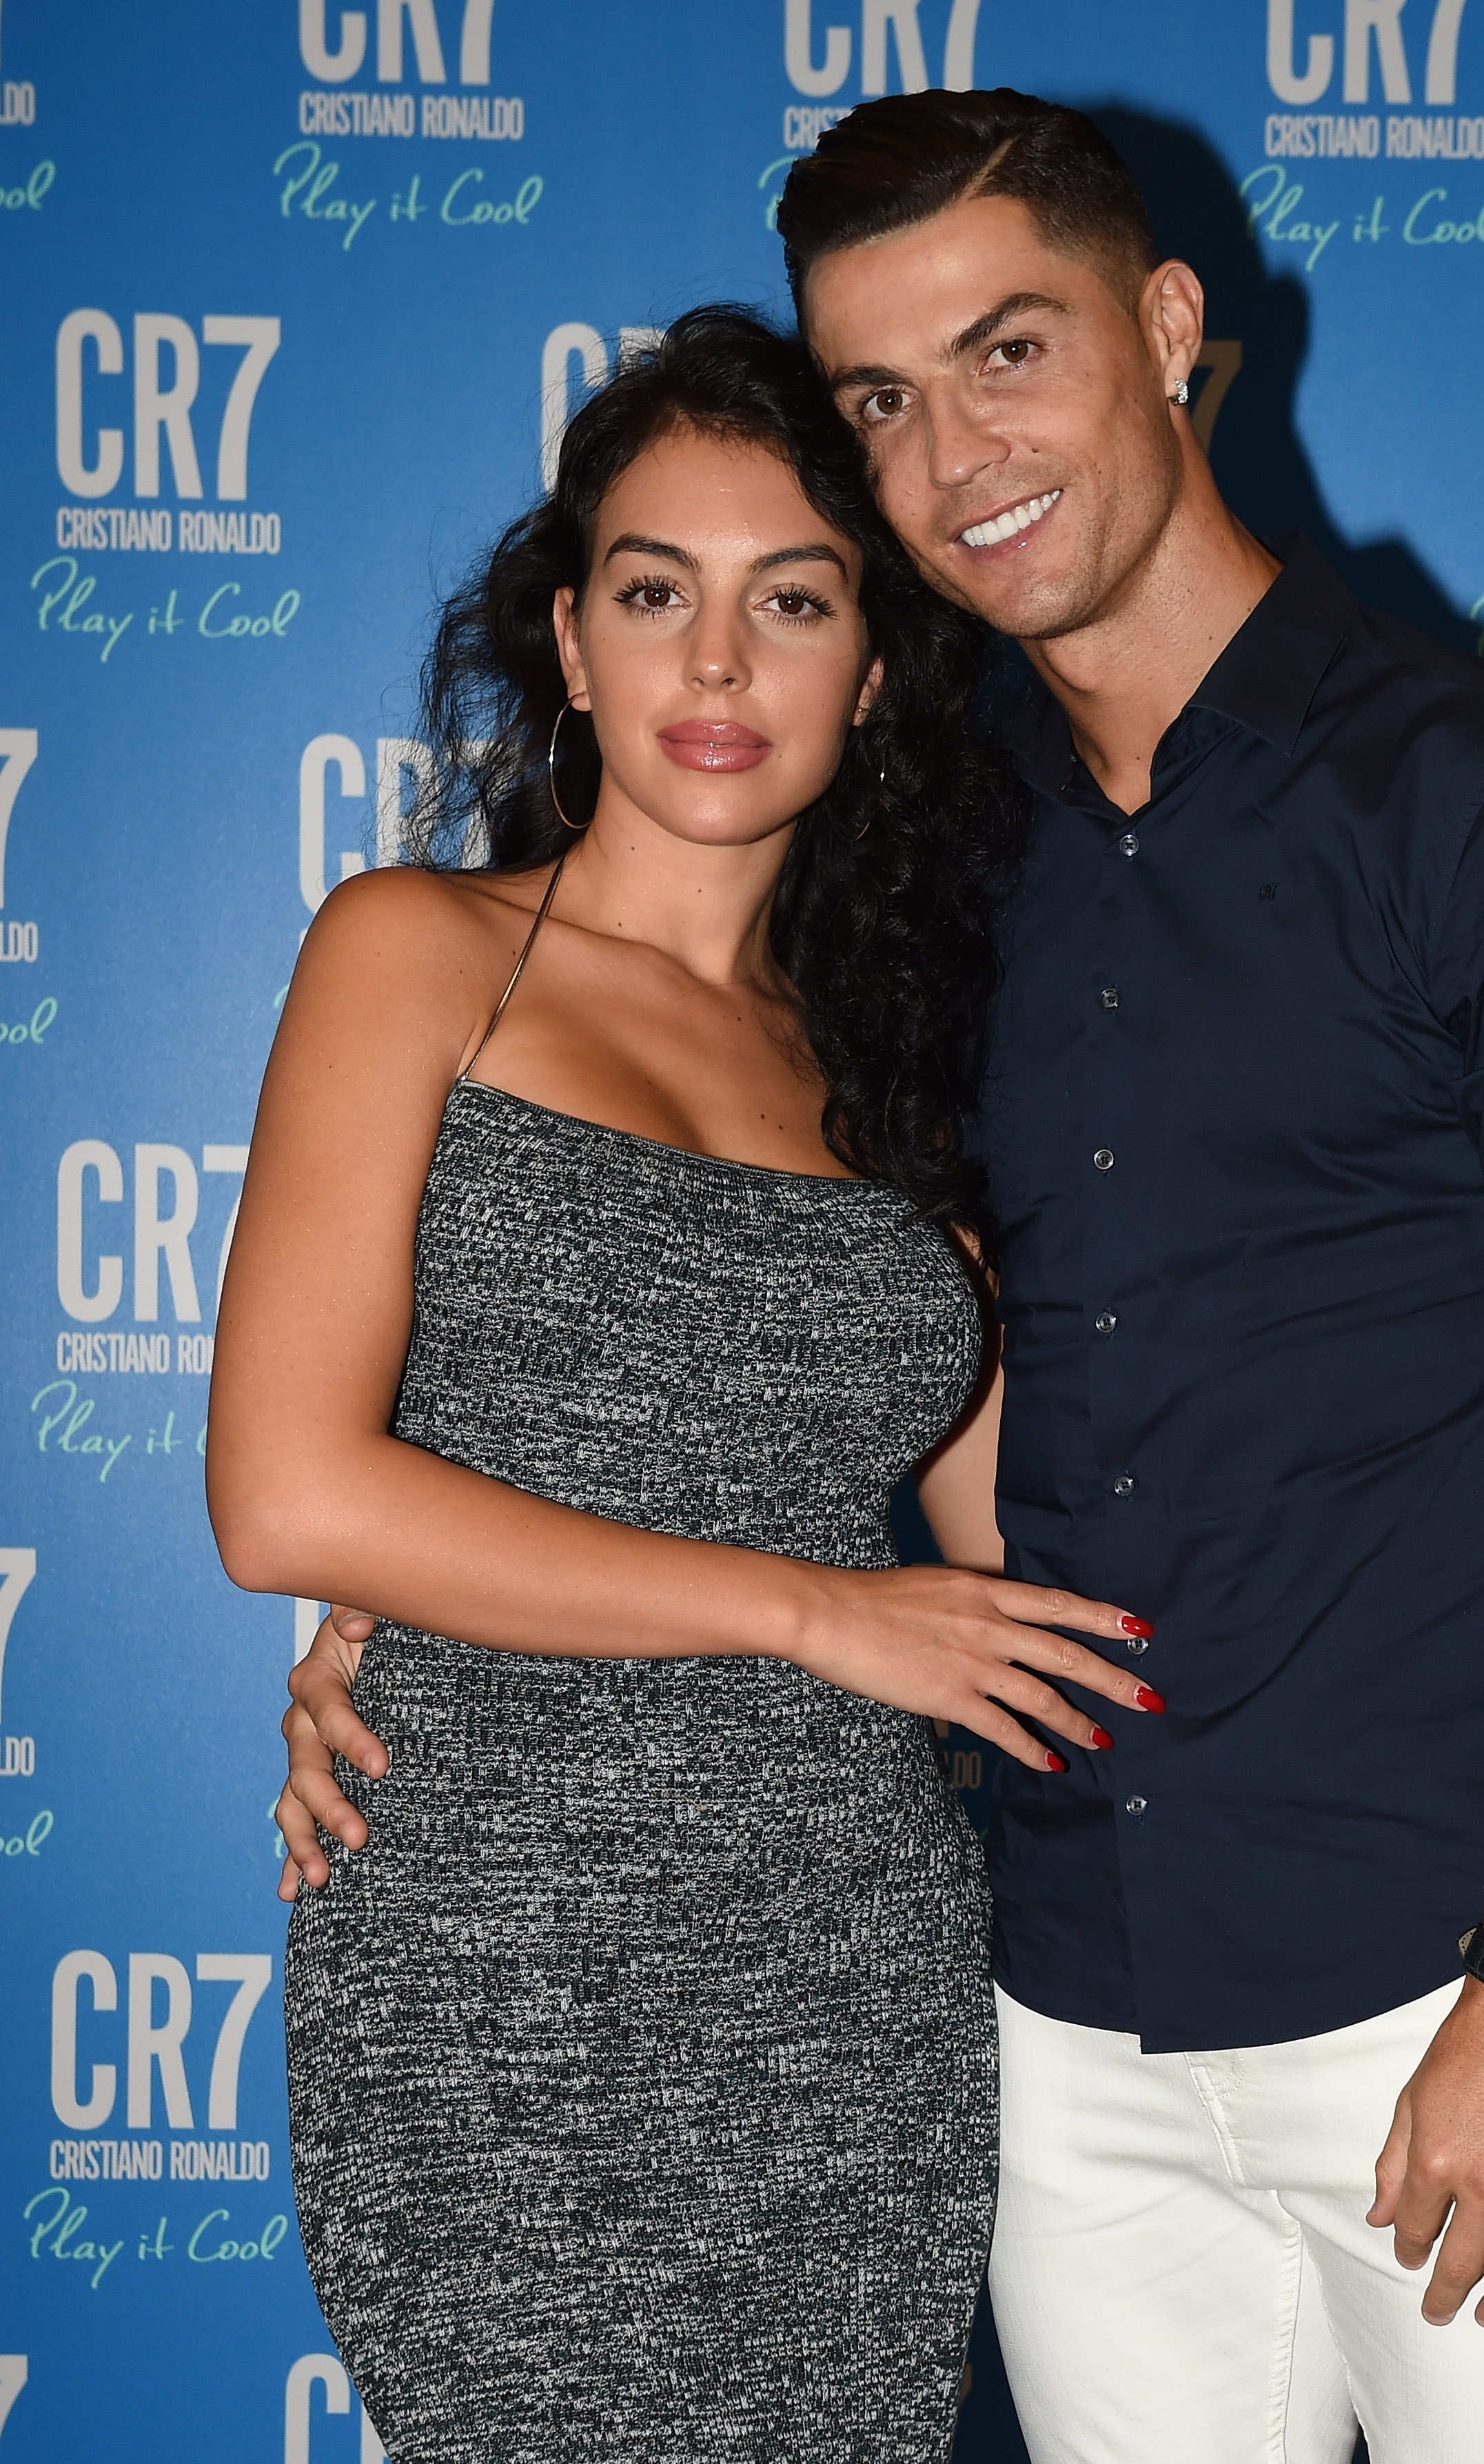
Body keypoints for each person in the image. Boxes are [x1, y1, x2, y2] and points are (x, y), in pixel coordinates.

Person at [278, 92, 1484, 2464]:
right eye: (879, 397)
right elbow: (877, 1410)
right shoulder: (942, 877)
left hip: (1439, 1992)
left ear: (1167, 329)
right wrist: (418, 1599)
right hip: (1051, 2017)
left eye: (1006, 351)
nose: (952, 451)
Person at [207, 305, 1161, 2464]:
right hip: (496, 1964)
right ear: (567, 641)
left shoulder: (900, 1066)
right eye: (654, 594)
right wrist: (814, 1609)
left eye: (792, 601)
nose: (716, 663)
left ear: (879, 664)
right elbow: (287, 1499)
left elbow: (1025, 1543)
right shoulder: (417, 954)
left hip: (853, 1968)